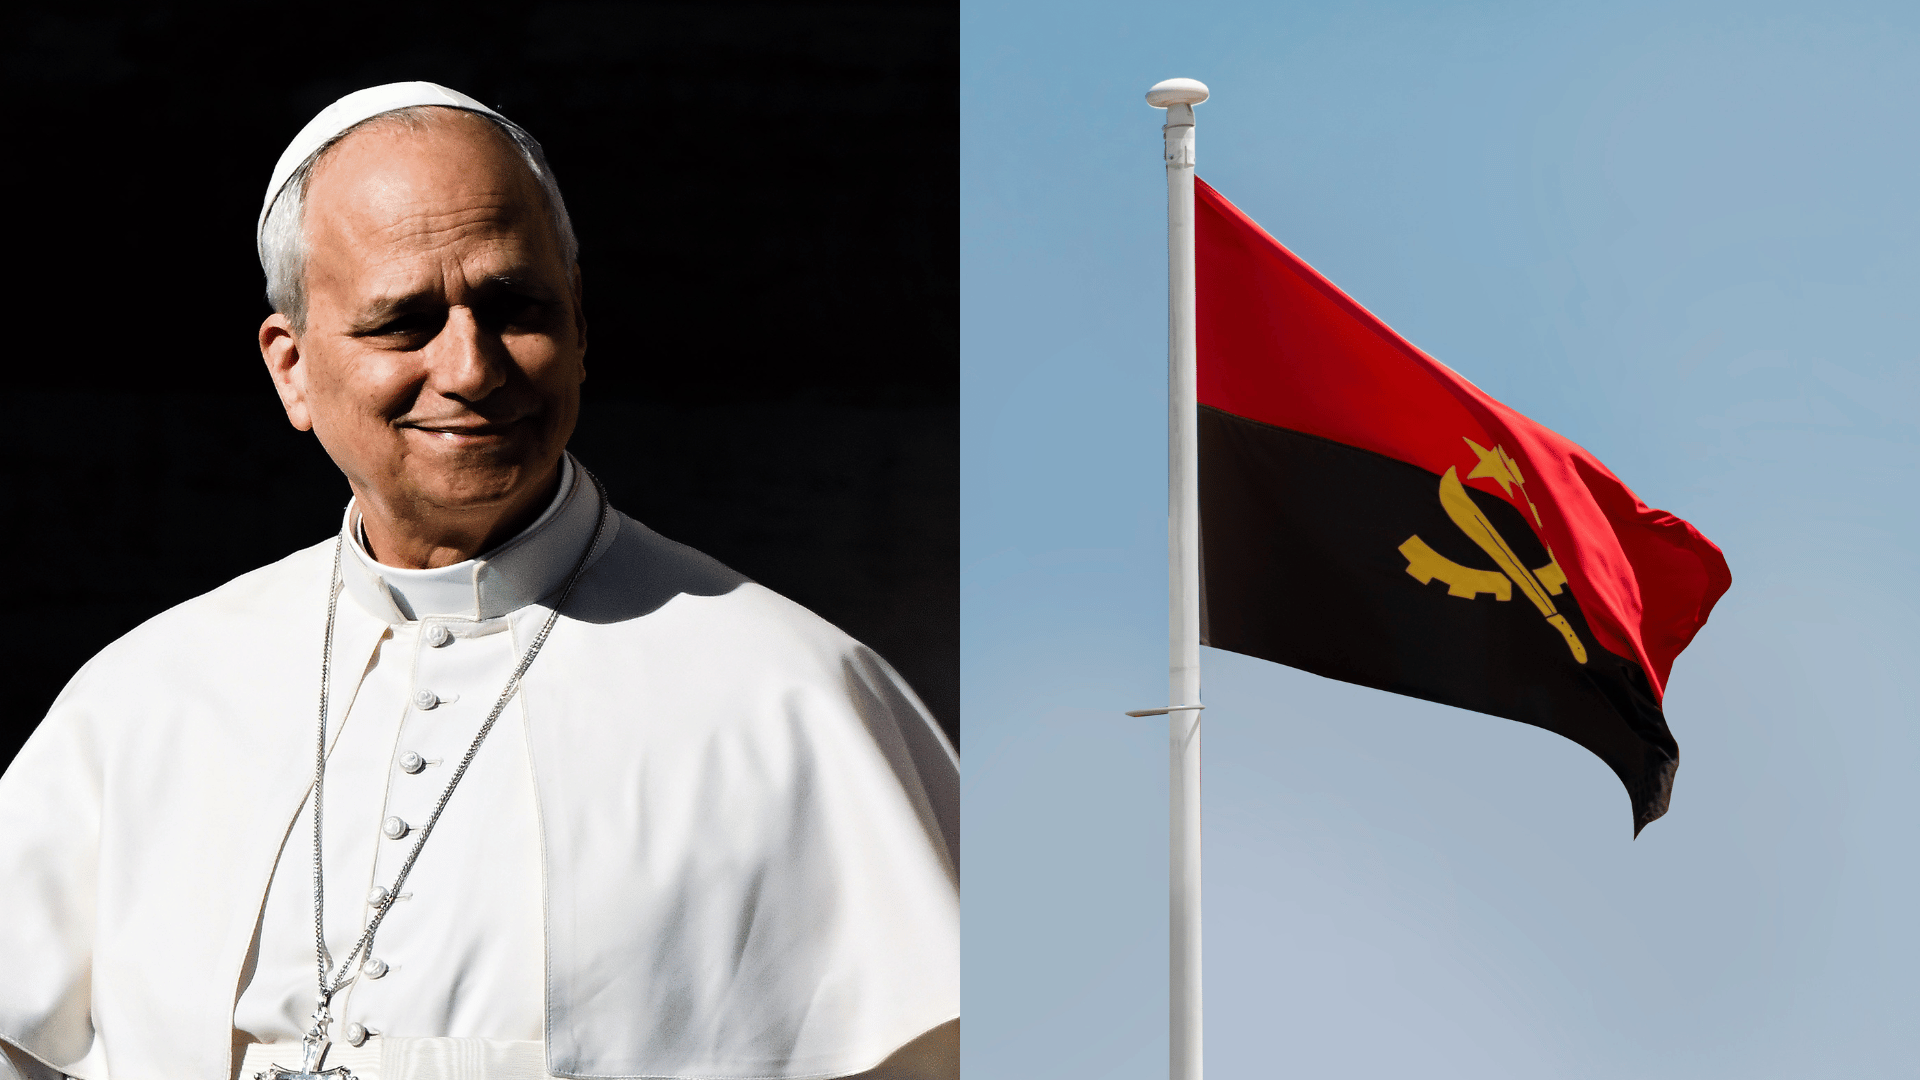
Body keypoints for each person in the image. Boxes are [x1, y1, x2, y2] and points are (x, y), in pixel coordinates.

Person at [0, 83, 957, 1080]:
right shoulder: (149, 697)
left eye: (515, 308)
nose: (470, 367)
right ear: (292, 368)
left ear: (580, 327)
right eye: (403, 322)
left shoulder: (794, 697)